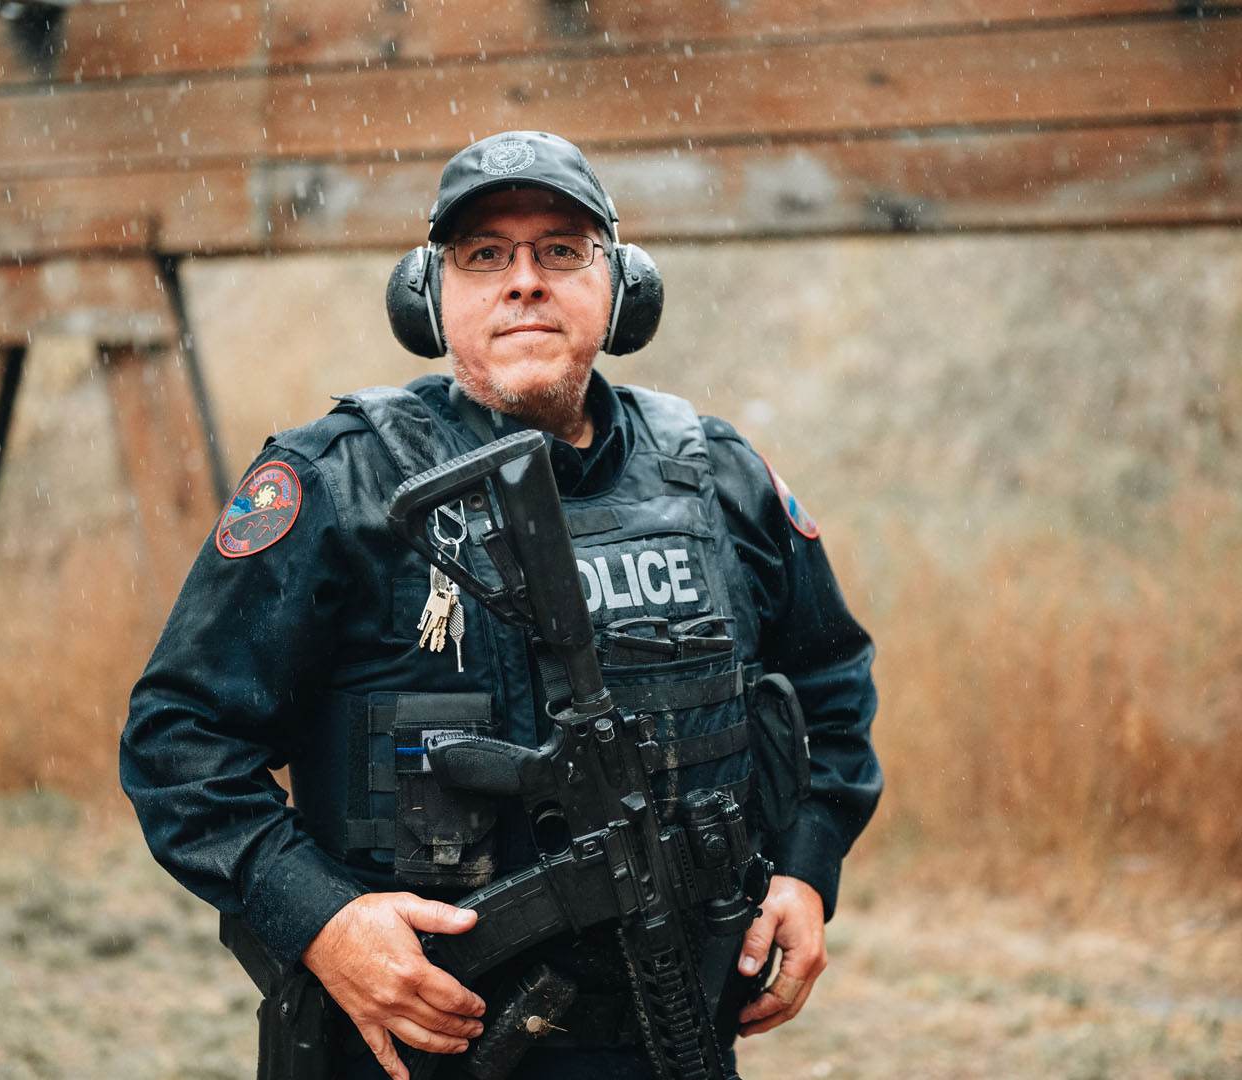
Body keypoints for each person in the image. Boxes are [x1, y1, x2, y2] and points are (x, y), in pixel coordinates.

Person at [121, 130, 881, 1080]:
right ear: (429, 296)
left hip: (673, 1034)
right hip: (420, 1045)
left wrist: (808, 869)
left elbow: (827, 684)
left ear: (622, 285)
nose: (525, 280)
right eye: (484, 256)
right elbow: (178, 739)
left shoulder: (717, 477)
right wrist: (321, 918)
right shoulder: (339, 485)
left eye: (561, 250)